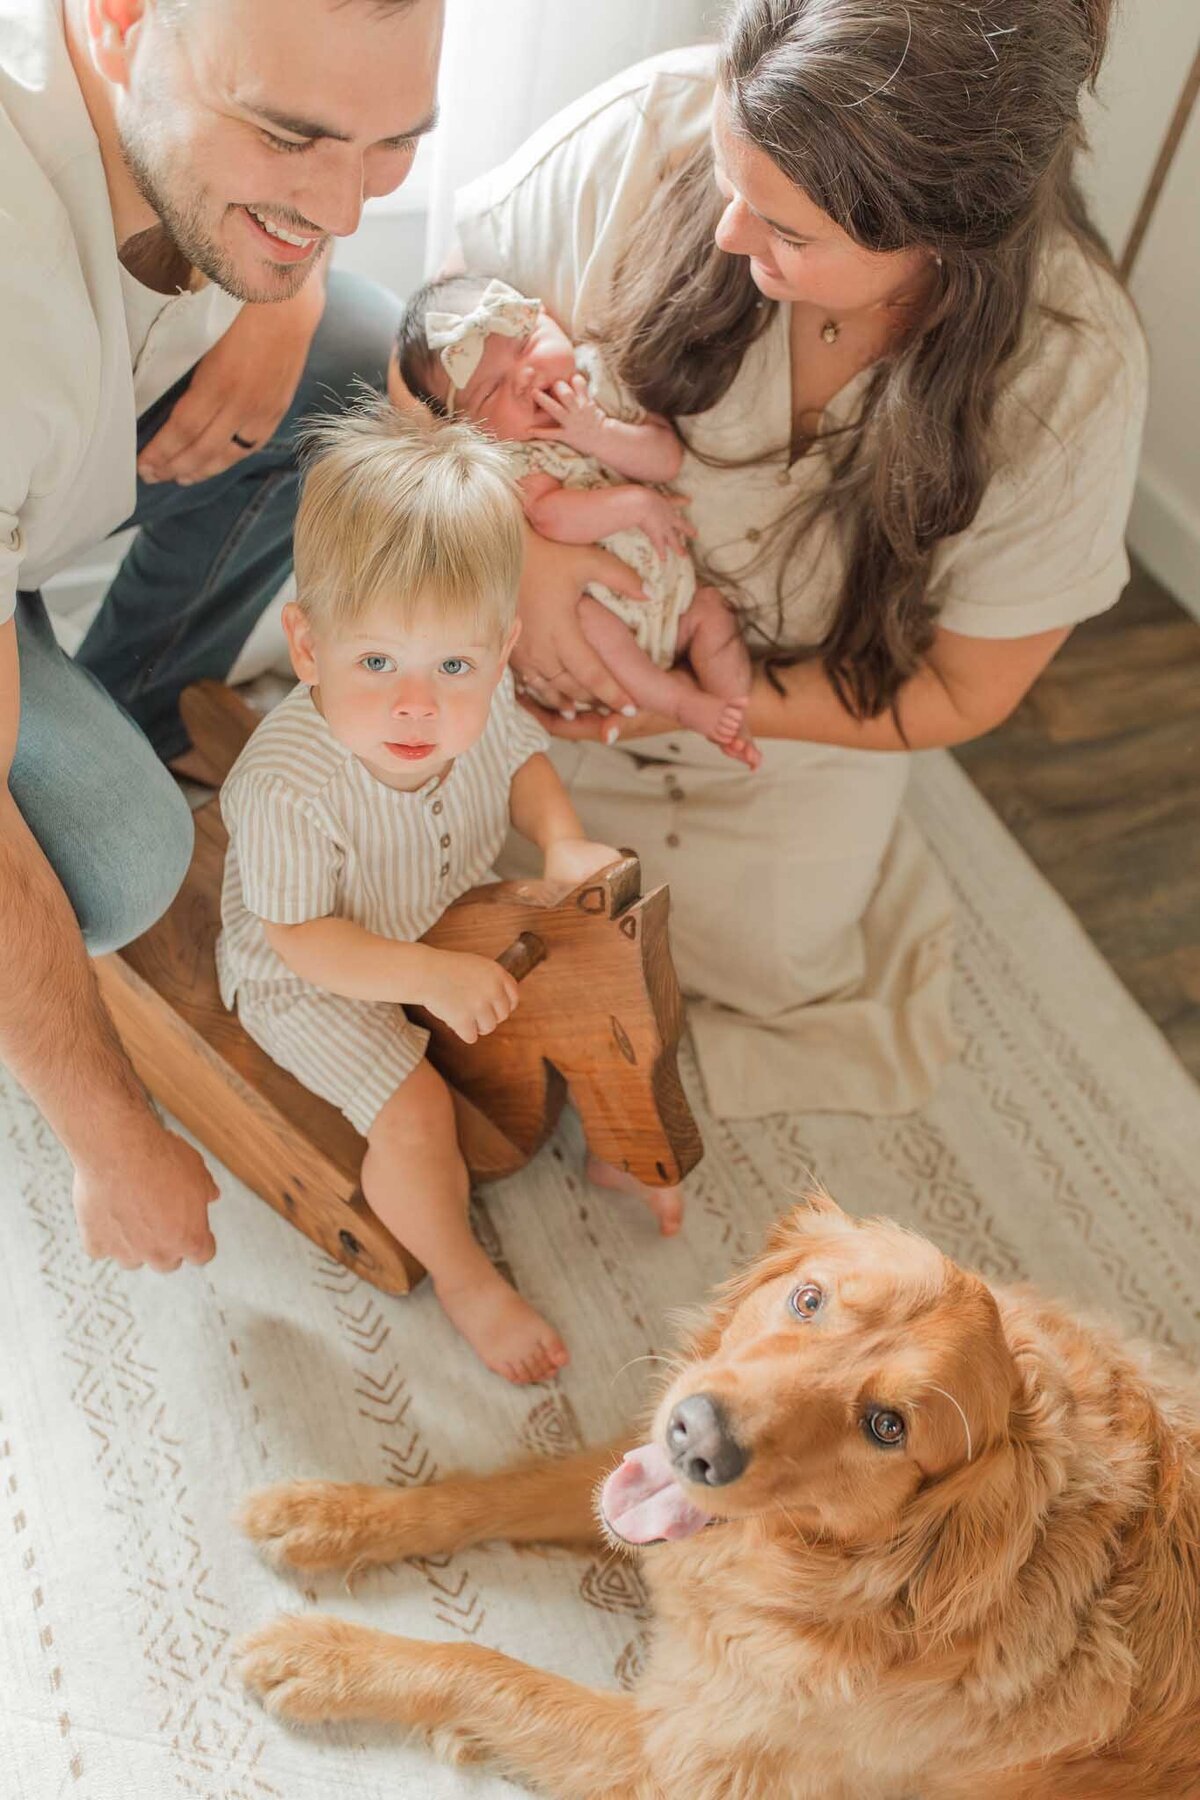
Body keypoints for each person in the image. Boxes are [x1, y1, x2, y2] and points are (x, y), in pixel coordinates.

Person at [440, 0, 1147, 1122]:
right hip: (506, 650)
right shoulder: (642, 131)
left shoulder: (1071, 371)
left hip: (773, 734)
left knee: (780, 984)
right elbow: (427, 353)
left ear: (941, 231)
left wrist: (690, 709)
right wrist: (520, 551)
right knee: (405, 866)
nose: (727, 234)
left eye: (788, 231)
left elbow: (964, 688)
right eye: (728, 177)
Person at [0, 0, 443, 1273]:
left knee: (358, 345)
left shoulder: (193, 132)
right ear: (117, 22)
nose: (349, 205)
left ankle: (116, 696)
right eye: (292, 135)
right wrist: (107, 1135)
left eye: (394, 145)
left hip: (40, 479)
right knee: (122, 858)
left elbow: (317, 218)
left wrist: (280, 301)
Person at [216, 405, 677, 1383]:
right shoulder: (287, 786)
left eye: (454, 666)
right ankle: (465, 1274)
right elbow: (302, 939)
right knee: (418, 1117)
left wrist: (561, 842)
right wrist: (430, 973)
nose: (417, 704)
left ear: (501, 650)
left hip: (438, 913)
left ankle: (625, 1139)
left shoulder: (483, 698)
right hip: (317, 972)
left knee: (595, 964)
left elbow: (522, 765)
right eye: (376, 662)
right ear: (307, 649)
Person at [396, 274, 761, 767]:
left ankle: (736, 718)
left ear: (550, 316)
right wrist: (633, 505)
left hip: (676, 605)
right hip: (605, 618)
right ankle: (681, 701)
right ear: (467, 427)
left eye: (527, 344)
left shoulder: (603, 385)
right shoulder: (514, 458)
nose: (524, 376)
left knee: (715, 614)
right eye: (491, 391)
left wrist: (599, 434)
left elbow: (665, 459)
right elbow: (550, 518)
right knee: (593, 624)